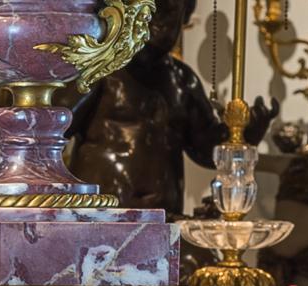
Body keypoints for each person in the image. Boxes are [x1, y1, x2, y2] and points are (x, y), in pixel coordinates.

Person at [68, 0, 271, 216]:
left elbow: (207, 149)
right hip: (100, 214)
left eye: (170, 15)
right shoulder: (99, 71)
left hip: (165, 216)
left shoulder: (182, 80)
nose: (159, 24)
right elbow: (55, 126)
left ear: (184, 18)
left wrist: (242, 135)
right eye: (152, 13)